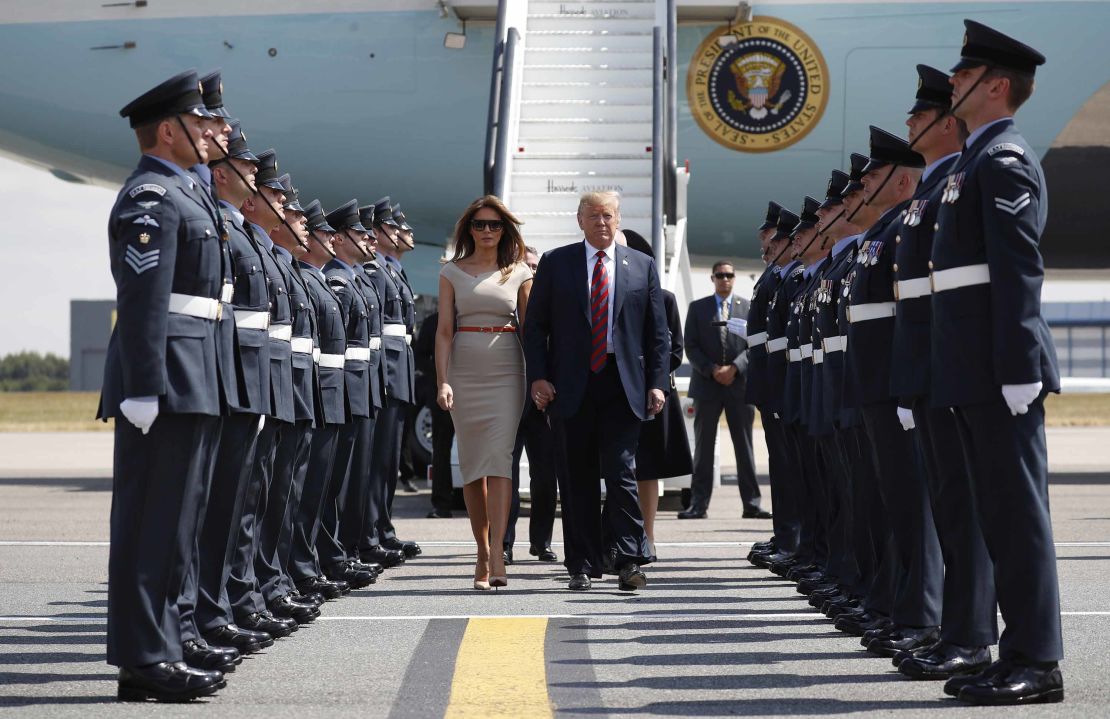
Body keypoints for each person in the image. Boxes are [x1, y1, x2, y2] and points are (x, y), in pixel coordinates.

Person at [930, 20, 1063, 705]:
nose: (954, 82)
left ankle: (1038, 660)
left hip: (998, 368)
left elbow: (1018, 270)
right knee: (995, 516)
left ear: (997, 86)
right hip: (973, 368)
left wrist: (1017, 365)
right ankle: (1014, 649)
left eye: (965, 74)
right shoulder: (973, 161)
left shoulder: (1004, 158)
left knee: (1017, 516)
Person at [99, 69, 228, 702]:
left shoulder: (185, 191)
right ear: (169, 130)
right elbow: (145, 297)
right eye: (200, 123)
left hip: (195, 373)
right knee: (151, 524)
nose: (211, 132)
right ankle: (144, 657)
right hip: (167, 379)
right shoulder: (151, 196)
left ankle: (163, 649)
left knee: (178, 524)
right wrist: (144, 386)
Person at [892, 65, 998, 681]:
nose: (910, 121)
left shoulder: (961, 179)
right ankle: (958, 632)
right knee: (952, 507)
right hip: (933, 371)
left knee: (966, 508)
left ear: (946, 121)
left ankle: (971, 634)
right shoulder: (936, 190)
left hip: (956, 370)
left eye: (920, 112)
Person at [523, 190, 669, 592]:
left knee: (621, 473)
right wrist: (537, 376)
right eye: (593, 216)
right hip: (571, 386)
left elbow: (658, 334)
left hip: (623, 387)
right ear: (580, 220)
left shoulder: (641, 266)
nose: (601, 223)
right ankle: (582, 564)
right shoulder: (557, 263)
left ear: (617, 219)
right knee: (577, 477)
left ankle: (628, 559)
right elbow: (535, 327)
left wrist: (657, 383)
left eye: (608, 216)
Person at [436, 195, 533, 590]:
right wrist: (442, 380)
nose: (488, 231)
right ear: (469, 229)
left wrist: (542, 379)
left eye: (495, 225)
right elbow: (444, 332)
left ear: (504, 229)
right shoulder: (451, 273)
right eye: (480, 225)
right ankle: (480, 549)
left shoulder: (520, 272)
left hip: (507, 370)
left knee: (500, 461)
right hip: (464, 370)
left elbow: (530, 332)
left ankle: (497, 552)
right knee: (474, 467)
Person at [619, 229, 691, 555]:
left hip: (649, 393)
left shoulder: (664, 298)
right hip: (616, 392)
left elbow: (673, 350)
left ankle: (647, 534)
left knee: (646, 468)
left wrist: (646, 377)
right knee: (617, 467)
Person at [680, 261, 766, 520]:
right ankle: (698, 504)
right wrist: (712, 369)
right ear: (712, 277)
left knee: (744, 447)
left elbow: (755, 343)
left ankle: (751, 504)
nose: (724, 279)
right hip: (707, 385)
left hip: (738, 386)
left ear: (734, 278)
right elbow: (691, 346)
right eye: (720, 275)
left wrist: (735, 368)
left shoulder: (748, 308)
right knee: (703, 450)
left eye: (729, 275)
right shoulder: (698, 308)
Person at [504, 246, 560, 565]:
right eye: (525, 266)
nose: (532, 272)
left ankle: (541, 541)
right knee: (506, 476)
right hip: (510, 399)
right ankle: (505, 543)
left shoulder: (554, 305)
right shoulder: (504, 307)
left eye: (536, 267)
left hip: (544, 403)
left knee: (544, 478)